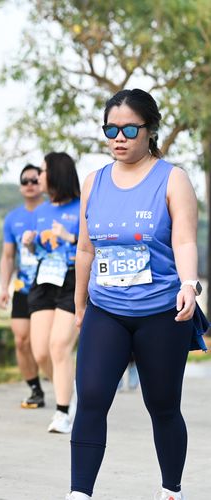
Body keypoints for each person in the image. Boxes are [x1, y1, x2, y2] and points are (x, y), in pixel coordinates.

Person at [66, 89, 208, 500]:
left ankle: (171, 489)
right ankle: (80, 493)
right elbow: (85, 249)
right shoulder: (94, 182)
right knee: (91, 398)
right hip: (106, 309)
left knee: (162, 405)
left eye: (129, 129)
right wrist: (79, 305)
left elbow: (184, 240)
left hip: (162, 311)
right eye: (111, 129)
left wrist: (189, 284)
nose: (119, 137)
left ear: (150, 130)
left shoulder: (172, 179)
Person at [22, 152, 80, 434]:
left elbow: (95, 244)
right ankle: (69, 387)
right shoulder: (41, 211)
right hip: (44, 278)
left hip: (72, 278)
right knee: (41, 352)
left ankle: (63, 411)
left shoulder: (83, 207)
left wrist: (70, 237)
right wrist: (30, 244)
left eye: (42, 171)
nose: (38, 177)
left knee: (59, 346)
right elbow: (39, 250)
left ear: (57, 174)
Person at [0, 164, 46, 408]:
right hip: (23, 287)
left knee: (45, 344)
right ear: (20, 187)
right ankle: (35, 389)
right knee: (21, 341)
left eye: (34, 180)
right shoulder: (13, 218)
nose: (30, 185)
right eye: (25, 181)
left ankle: (64, 386)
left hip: (50, 286)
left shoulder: (52, 212)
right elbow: (8, 256)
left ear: (43, 183)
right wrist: (4, 288)